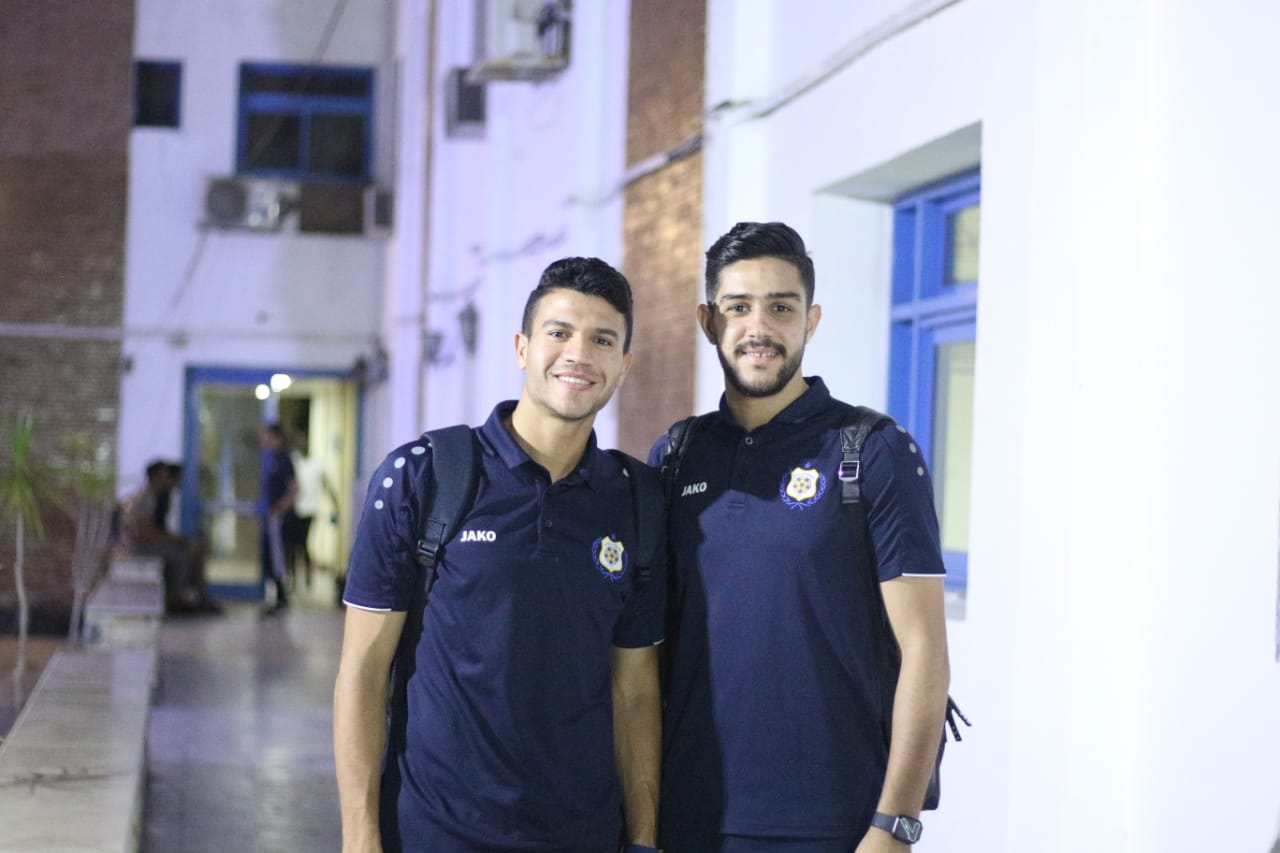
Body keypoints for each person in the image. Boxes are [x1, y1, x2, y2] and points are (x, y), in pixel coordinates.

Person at [333, 257, 665, 853]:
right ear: (522, 348)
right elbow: (363, 673)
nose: (578, 354)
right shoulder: (425, 477)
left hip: (581, 835)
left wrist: (642, 839)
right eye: (559, 332)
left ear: (624, 365)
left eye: (602, 340)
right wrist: (360, 840)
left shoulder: (636, 500)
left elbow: (634, 690)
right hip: (435, 832)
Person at [649, 222, 951, 853]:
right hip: (689, 815)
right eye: (738, 307)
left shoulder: (872, 450)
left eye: (781, 307)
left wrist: (895, 824)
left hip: (833, 822)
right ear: (708, 321)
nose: (758, 327)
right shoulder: (675, 456)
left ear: (810, 321)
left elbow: (925, 651)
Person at [119, 460, 219, 614]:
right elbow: (145, 533)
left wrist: (175, 540)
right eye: (164, 476)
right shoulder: (144, 498)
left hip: (146, 544)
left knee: (189, 551)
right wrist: (174, 541)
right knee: (180, 556)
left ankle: (195, 596)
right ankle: (174, 600)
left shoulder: (154, 497)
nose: (167, 479)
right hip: (138, 547)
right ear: (155, 477)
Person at [283, 434, 337, 590]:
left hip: (308, 511)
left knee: (303, 544)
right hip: (293, 509)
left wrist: (335, 507)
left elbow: (327, 486)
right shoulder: (294, 462)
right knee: (291, 546)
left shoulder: (317, 465)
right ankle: (292, 578)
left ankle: (307, 577)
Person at [259, 423, 296, 614]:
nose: (264, 441)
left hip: (278, 517)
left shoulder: (284, 460)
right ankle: (274, 596)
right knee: (268, 557)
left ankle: (281, 597)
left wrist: (279, 508)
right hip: (269, 515)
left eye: (268, 437)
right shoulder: (269, 459)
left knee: (277, 558)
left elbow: (294, 489)